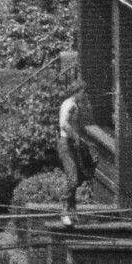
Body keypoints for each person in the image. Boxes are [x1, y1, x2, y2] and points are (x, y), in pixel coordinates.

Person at [57, 81, 94, 218]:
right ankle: (64, 208)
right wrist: (77, 138)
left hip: (72, 144)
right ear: (77, 92)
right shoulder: (70, 105)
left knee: (79, 177)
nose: (84, 96)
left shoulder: (73, 104)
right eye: (83, 93)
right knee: (73, 179)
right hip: (67, 144)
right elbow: (64, 124)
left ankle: (72, 210)